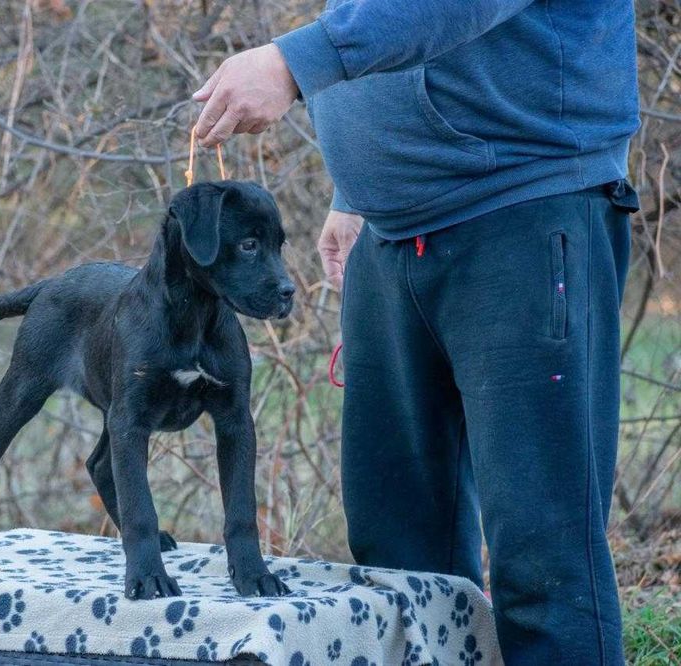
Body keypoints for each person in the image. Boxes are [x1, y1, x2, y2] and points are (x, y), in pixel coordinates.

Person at [191, 2, 640, 664]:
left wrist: (293, 62)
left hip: (524, 214)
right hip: (390, 234)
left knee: (544, 564)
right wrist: (356, 191)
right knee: (397, 560)